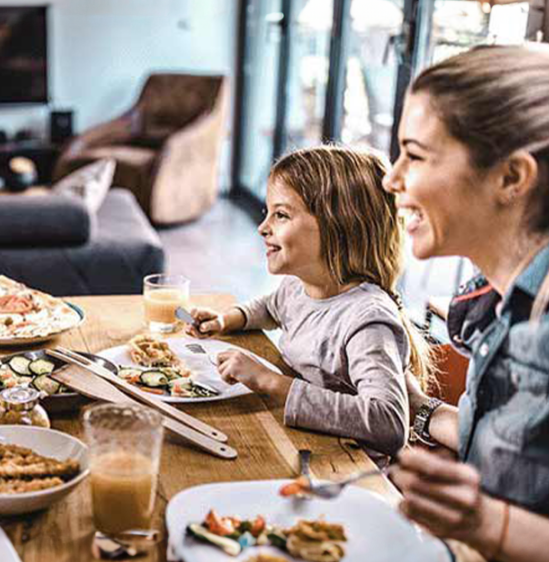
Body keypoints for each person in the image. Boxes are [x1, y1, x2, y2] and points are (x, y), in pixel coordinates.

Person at [382, 44, 549, 562]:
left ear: (511, 177)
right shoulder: (500, 299)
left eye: (414, 155)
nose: (391, 178)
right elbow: (520, 452)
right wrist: (419, 408)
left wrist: (486, 524)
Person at [185, 145, 432, 460]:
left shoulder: (366, 320)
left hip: (346, 470)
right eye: (267, 213)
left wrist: (271, 381)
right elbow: (272, 306)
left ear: (340, 227)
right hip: (300, 443)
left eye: (282, 215)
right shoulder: (299, 287)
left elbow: (389, 424)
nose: (263, 228)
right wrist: (226, 320)